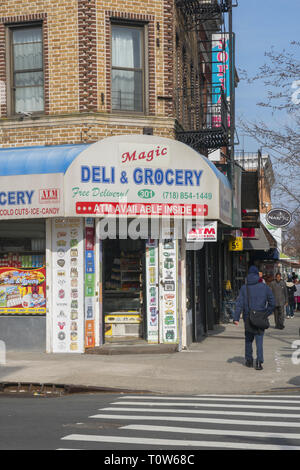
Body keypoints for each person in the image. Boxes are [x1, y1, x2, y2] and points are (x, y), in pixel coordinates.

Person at [233, 266, 275, 370]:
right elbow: (272, 303)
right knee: (259, 340)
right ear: (258, 275)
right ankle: (259, 362)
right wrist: (266, 313)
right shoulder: (265, 287)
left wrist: (236, 318)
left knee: (248, 340)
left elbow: (239, 304)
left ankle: (249, 360)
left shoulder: (244, 288)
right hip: (260, 317)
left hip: (248, 317)